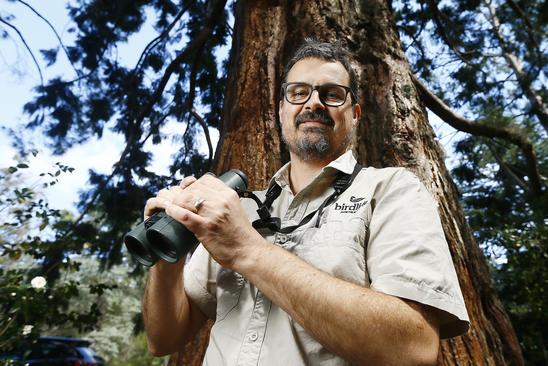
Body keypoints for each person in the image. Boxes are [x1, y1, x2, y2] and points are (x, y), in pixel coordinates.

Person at [141, 39, 469, 365]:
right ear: (282, 109)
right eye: (298, 93)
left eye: (331, 94)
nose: (313, 103)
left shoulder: (390, 190)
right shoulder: (237, 210)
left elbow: (413, 348)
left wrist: (247, 250)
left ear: (354, 115)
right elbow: (163, 339)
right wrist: (167, 249)